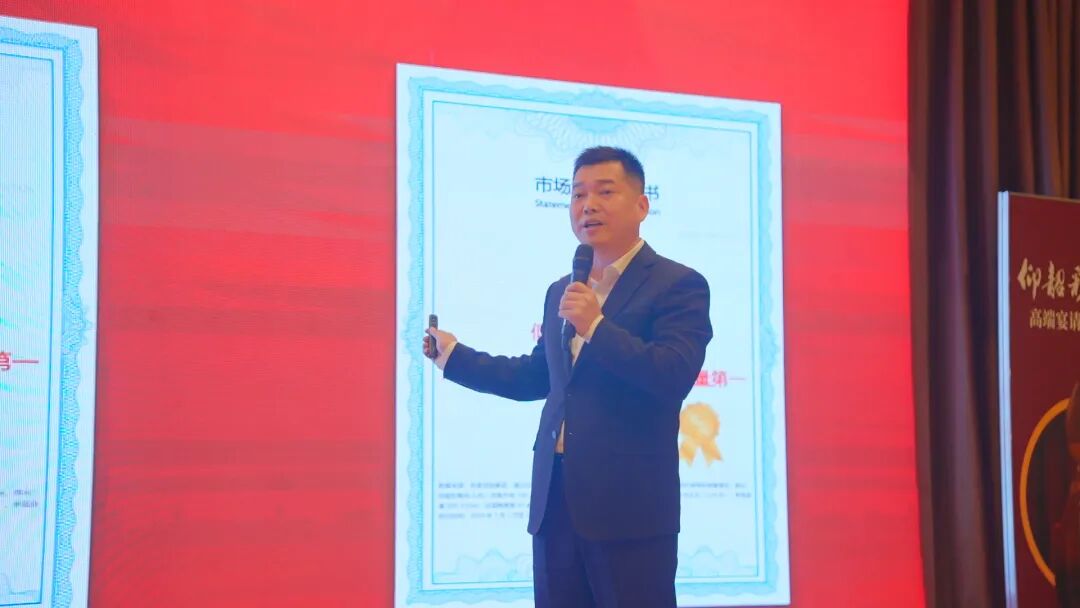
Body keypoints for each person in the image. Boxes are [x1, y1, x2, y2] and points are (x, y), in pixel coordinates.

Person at [424, 146, 712, 608]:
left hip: (630, 511)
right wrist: (454, 358)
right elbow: (539, 377)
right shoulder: (563, 289)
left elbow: (671, 374)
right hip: (555, 503)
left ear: (641, 205)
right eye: (578, 194)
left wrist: (596, 326)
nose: (587, 205)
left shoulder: (678, 285)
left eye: (604, 192)